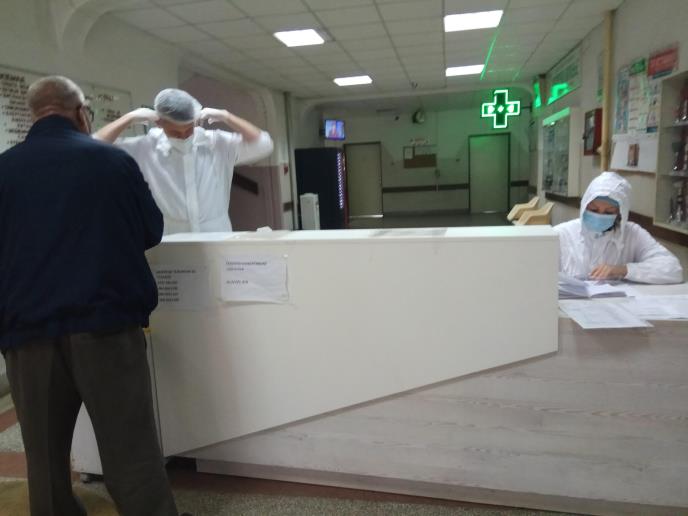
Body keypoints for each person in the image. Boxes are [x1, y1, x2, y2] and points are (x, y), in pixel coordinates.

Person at [0, 76, 179, 515]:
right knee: (131, 452)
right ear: (82, 113)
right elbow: (151, 230)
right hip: (107, 328)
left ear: (34, 114)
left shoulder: (3, 169)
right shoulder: (112, 162)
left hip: (27, 335)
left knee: (43, 458)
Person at [94, 88, 274, 234]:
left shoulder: (216, 143)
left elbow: (264, 144)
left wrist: (227, 117)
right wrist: (129, 119)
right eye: (175, 132)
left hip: (217, 237)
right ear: (159, 123)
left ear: (195, 122)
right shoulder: (144, 148)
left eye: (189, 130)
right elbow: (92, 148)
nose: (183, 136)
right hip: (171, 242)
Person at [554, 171, 683, 284]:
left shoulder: (632, 234)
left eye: (609, 212)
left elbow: (673, 269)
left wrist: (623, 270)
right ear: (584, 206)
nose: (600, 216)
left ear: (620, 214)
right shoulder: (561, 234)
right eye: (593, 209)